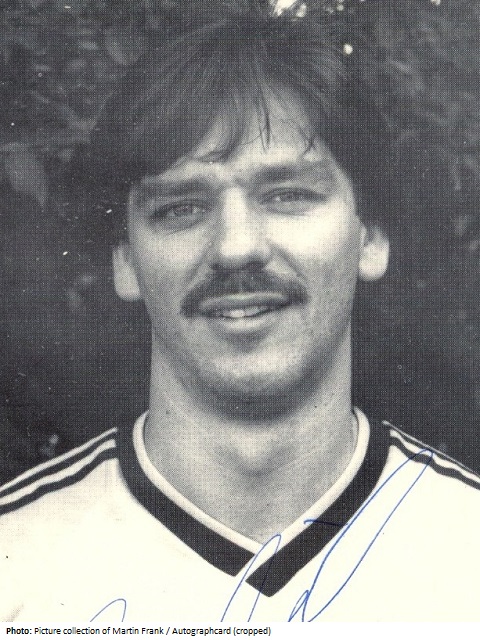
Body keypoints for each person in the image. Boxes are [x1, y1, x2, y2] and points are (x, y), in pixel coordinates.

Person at [1, 1, 479, 623]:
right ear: (125, 261)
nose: (236, 248)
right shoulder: (16, 564)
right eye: (180, 208)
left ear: (371, 236)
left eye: (287, 195)